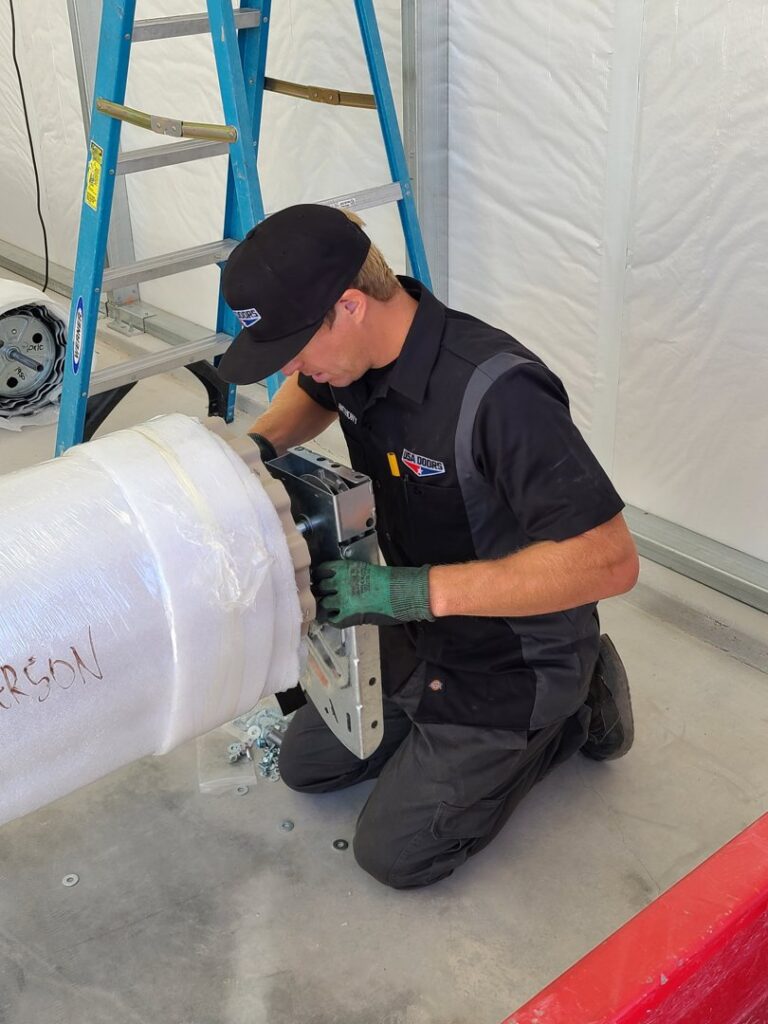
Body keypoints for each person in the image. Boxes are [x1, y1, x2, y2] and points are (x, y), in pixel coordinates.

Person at [218, 203, 639, 889]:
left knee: (394, 854)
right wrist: (253, 453)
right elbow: (312, 390)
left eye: (294, 345)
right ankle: (444, 737)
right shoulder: (352, 358)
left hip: (516, 652)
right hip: (424, 629)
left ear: (350, 305)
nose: (290, 365)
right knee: (306, 766)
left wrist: (411, 591)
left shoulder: (498, 394)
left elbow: (611, 560)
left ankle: (575, 707)